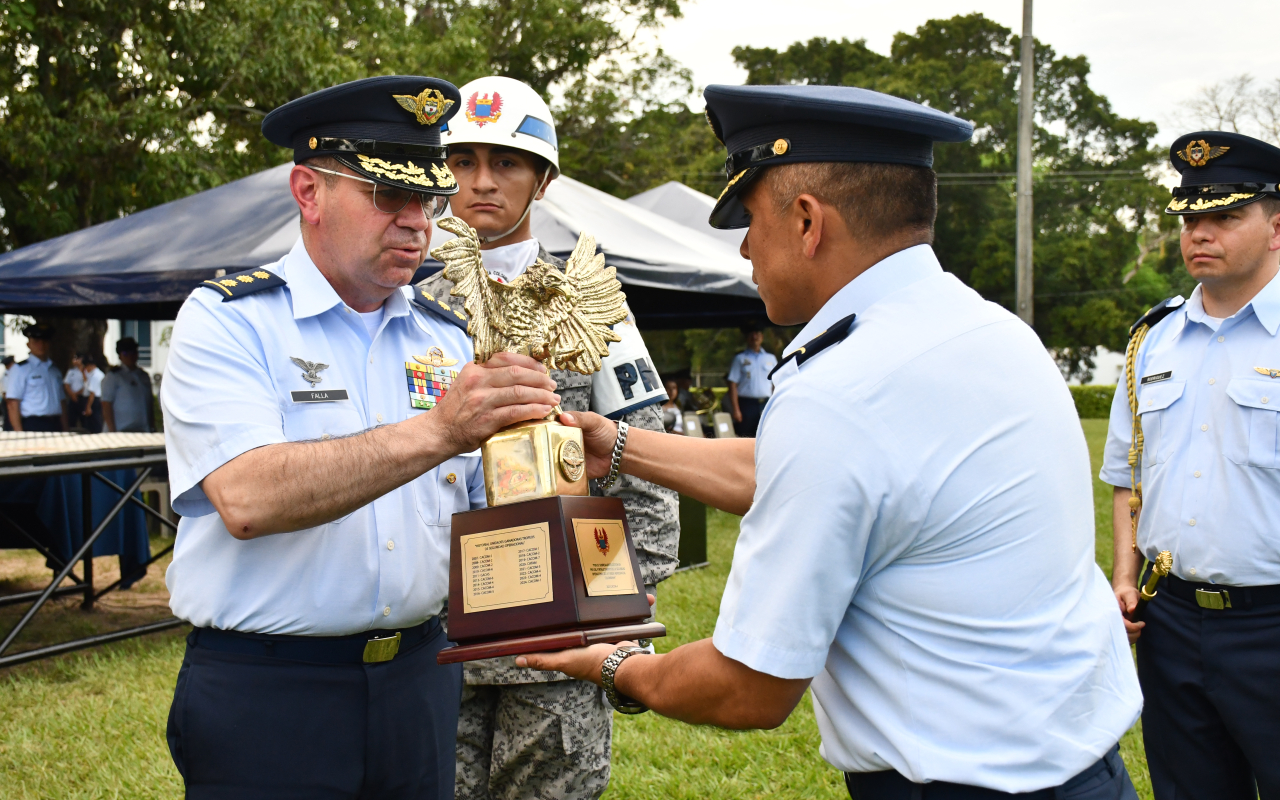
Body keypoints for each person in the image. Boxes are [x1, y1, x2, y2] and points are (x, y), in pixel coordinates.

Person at [519, 84, 1143, 799]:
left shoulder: (840, 391)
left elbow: (749, 687)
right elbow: (823, 474)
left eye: (750, 220)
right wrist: (620, 443)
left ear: (809, 222)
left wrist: (612, 663)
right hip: (1086, 772)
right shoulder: (990, 330)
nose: (747, 247)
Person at [160, 75, 562, 799]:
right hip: (272, 690)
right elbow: (248, 496)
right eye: (389, 195)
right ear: (308, 192)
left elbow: (483, 520)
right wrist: (440, 431)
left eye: (429, 199)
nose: (419, 222)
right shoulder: (229, 322)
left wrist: (552, 476)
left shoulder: (445, 337)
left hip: (419, 679)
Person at [425, 74, 679, 800]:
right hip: (439, 636)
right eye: (462, 161)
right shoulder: (408, 308)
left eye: (504, 163)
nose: (480, 183)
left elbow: (646, 472)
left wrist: (621, 619)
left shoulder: (591, 304)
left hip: (558, 636)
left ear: (541, 179)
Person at [1102, 131, 1280, 800]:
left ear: (1276, 227)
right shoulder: (1153, 339)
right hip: (1171, 622)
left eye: (1226, 216)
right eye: (1190, 218)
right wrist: (1124, 577)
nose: (1200, 233)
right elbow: (1127, 478)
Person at [6, 323, 67, 432]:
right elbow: (13, 403)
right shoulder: (20, 369)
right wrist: (19, 433)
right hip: (33, 424)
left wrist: (65, 429)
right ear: (28, 344)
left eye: (44, 341)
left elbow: (61, 402)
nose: (41, 345)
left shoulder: (54, 370)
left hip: (55, 423)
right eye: (36, 341)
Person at [725, 322, 776, 437]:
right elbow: (732, 384)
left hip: (766, 403)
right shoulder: (740, 358)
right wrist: (736, 409)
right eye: (751, 334)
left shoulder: (770, 358)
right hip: (747, 405)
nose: (754, 337)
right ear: (746, 338)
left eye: (757, 333)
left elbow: (775, 383)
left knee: (767, 436)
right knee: (746, 436)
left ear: (762, 336)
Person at [101, 338, 154, 432]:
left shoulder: (144, 376)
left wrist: (152, 427)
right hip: (121, 430)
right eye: (126, 353)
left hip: (143, 429)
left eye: (133, 352)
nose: (130, 356)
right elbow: (106, 404)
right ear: (120, 356)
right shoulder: (113, 376)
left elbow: (149, 404)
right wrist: (112, 432)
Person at [81, 354, 104, 433]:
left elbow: (92, 393)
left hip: (94, 400)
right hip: (95, 399)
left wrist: (88, 407)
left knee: (95, 422)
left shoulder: (96, 376)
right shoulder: (95, 374)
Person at [1, 355, 15, 430]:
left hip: (12, 402)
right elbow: (5, 393)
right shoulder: (7, 374)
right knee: (8, 421)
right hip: (9, 402)